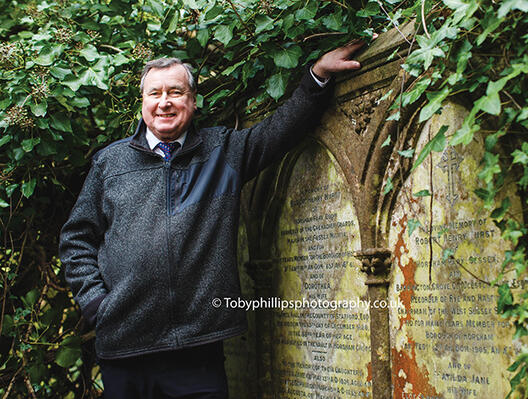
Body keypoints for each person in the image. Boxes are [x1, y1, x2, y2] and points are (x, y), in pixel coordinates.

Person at [59, 41, 365, 399]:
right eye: (155, 93)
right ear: (142, 102)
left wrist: (318, 77)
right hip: (125, 349)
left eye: (176, 91)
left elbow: (280, 130)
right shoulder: (110, 164)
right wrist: (98, 304)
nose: (165, 102)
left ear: (192, 100)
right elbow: (76, 239)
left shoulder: (222, 152)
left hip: (197, 350)